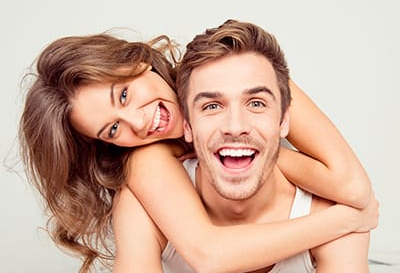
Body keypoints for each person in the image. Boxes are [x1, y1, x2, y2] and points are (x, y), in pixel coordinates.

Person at [18, 25, 377, 273]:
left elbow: (355, 188)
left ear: (136, 61)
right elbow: (209, 254)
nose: (138, 122)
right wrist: (345, 220)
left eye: (124, 95)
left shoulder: (246, 68)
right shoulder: (148, 160)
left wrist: (257, 147)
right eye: (113, 129)